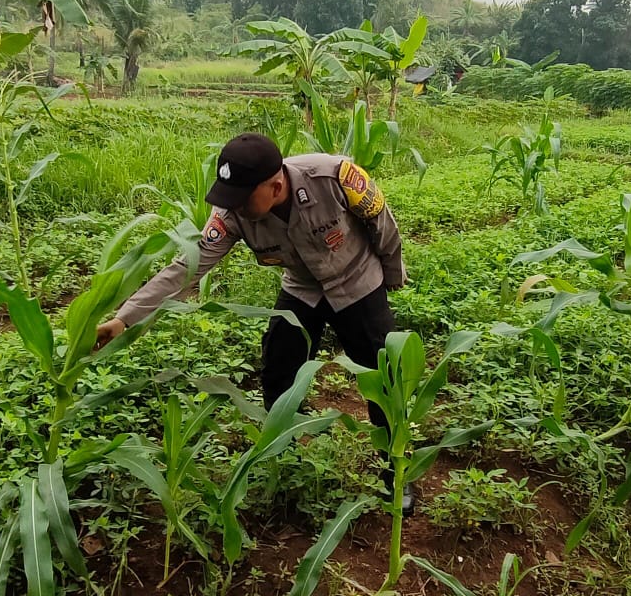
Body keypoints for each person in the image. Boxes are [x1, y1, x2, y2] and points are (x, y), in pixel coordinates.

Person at [94, 132, 415, 510]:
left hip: (357, 280)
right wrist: (125, 319)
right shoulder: (232, 212)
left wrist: (391, 274)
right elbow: (186, 269)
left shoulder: (336, 177)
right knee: (279, 368)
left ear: (276, 186)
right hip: (303, 288)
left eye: (243, 198)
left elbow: (381, 221)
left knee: (382, 375)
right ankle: (285, 455)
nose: (234, 207)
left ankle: (398, 471)